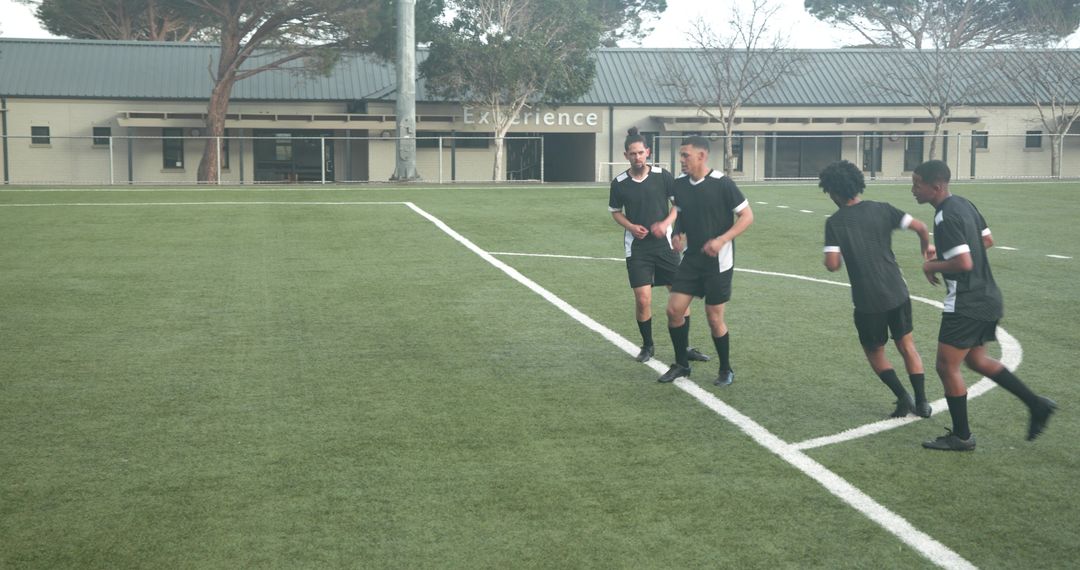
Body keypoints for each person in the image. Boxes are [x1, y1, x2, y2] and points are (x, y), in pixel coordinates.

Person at [912, 160, 1057, 451]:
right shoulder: (964, 204)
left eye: (917, 184)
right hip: (988, 296)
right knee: (976, 361)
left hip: (966, 302)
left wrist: (932, 265)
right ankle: (1036, 404)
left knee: (945, 366)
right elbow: (986, 241)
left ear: (935, 186)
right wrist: (944, 253)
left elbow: (963, 262)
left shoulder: (944, 217)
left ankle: (962, 437)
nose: (912, 189)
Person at [819, 160, 933, 418]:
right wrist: (925, 249)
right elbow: (921, 227)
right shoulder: (883, 209)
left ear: (834, 192)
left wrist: (833, 255)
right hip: (897, 291)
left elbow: (833, 265)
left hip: (868, 301)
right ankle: (923, 402)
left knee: (874, 351)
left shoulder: (835, 223)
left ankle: (903, 397)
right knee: (907, 345)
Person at [609, 127, 710, 364]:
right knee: (643, 299)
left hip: (665, 248)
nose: (637, 157)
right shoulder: (620, 183)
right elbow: (615, 212)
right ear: (626, 156)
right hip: (637, 249)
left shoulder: (662, 176)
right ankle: (647, 345)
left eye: (640, 153)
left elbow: (678, 206)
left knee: (680, 297)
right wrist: (632, 227)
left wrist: (665, 223)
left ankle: (684, 347)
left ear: (648, 152)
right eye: (632, 154)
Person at [657, 136, 753, 386]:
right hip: (691, 260)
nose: (681, 160)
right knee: (673, 310)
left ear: (702, 156)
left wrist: (722, 240)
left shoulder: (723, 184)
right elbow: (682, 212)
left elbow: (747, 216)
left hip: (718, 262)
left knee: (714, 317)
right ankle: (681, 364)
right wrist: (678, 234)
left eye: (685, 155)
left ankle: (726, 369)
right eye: (681, 155)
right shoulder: (679, 185)